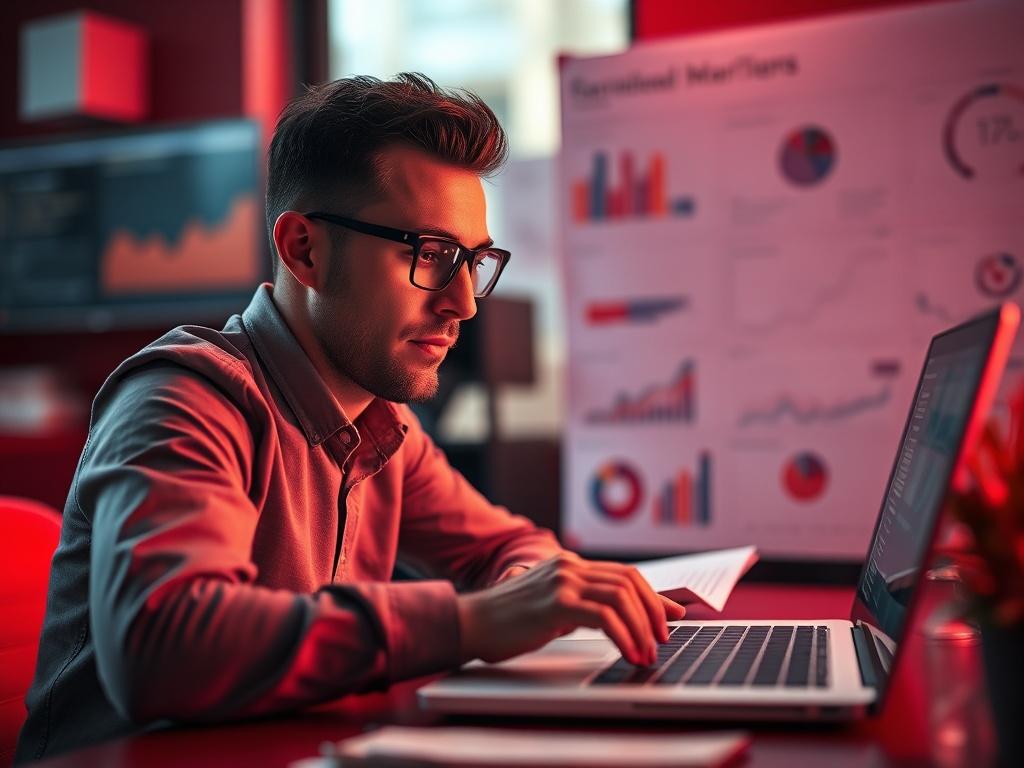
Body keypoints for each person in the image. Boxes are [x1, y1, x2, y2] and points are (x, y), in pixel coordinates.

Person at [15, 73, 684, 763]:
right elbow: (164, 646)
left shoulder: (383, 426)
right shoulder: (184, 400)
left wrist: (525, 589)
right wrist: (474, 622)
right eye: (429, 254)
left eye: (474, 261)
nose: (464, 303)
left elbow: (503, 547)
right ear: (304, 249)